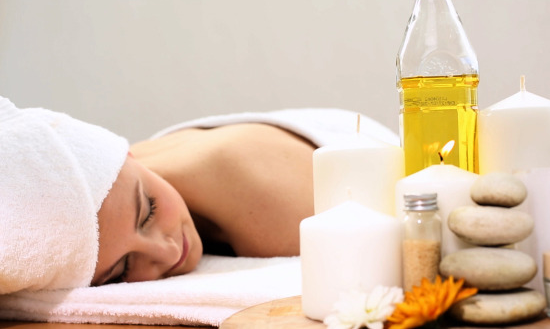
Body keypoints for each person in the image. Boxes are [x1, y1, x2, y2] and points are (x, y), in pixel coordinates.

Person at [0, 96, 398, 293]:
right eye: (121, 270)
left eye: (149, 211)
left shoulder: (261, 197)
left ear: (128, 156)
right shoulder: (105, 187)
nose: (168, 251)